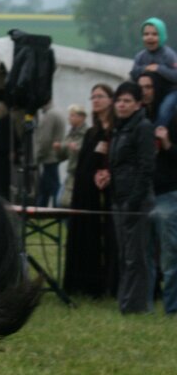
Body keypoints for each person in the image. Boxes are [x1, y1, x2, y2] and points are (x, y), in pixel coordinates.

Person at [95, 81, 155, 314]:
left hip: (135, 201)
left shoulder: (143, 127)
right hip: (119, 198)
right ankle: (126, 303)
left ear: (138, 104)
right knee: (124, 254)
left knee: (135, 256)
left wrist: (133, 201)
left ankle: (135, 306)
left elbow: (146, 168)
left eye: (127, 101)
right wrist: (108, 176)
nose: (121, 104)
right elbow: (121, 165)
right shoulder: (119, 128)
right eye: (119, 100)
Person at [62, 84, 118, 298]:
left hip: (106, 189)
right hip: (85, 189)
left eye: (100, 96)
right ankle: (82, 281)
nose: (96, 100)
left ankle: (104, 282)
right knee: (84, 233)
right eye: (93, 97)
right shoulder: (91, 131)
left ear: (110, 100)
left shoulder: (115, 129)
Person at [148, 104, 177, 315]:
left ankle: (172, 307)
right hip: (153, 193)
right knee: (152, 255)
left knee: (170, 256)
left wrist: (167, 144)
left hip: (169, 193)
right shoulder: (163, 113)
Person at [130, 17, 177, 127]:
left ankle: (158, 130)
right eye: (146, 34)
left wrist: (159, 69)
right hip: (148, 91)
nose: (150, 37)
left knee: (164, 109)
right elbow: (133, 73)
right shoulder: (140, 56)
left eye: (155, 34)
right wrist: (145, 68)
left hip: (170, 91)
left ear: (162, 36)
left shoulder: (169, 55)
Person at [53, 103, 88, 206]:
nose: (69, 118)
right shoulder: (71, 134)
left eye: (72, 115)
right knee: (60, 202)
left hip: (81, 175)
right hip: (70, 175)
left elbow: (88, 153)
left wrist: (78, 149)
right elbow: (62, 157)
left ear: (81, 117)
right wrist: (58, 149)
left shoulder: (87, 133)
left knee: (67, 203)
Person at [35, 100, 65, 207]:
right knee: (45, 189)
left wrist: (38, 155)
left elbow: (45, 139)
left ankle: (57, 210)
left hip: (49, 157)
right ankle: (41, 210)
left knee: (53, 187)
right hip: (54, 155)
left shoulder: (49, 115)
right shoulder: (57, 113)